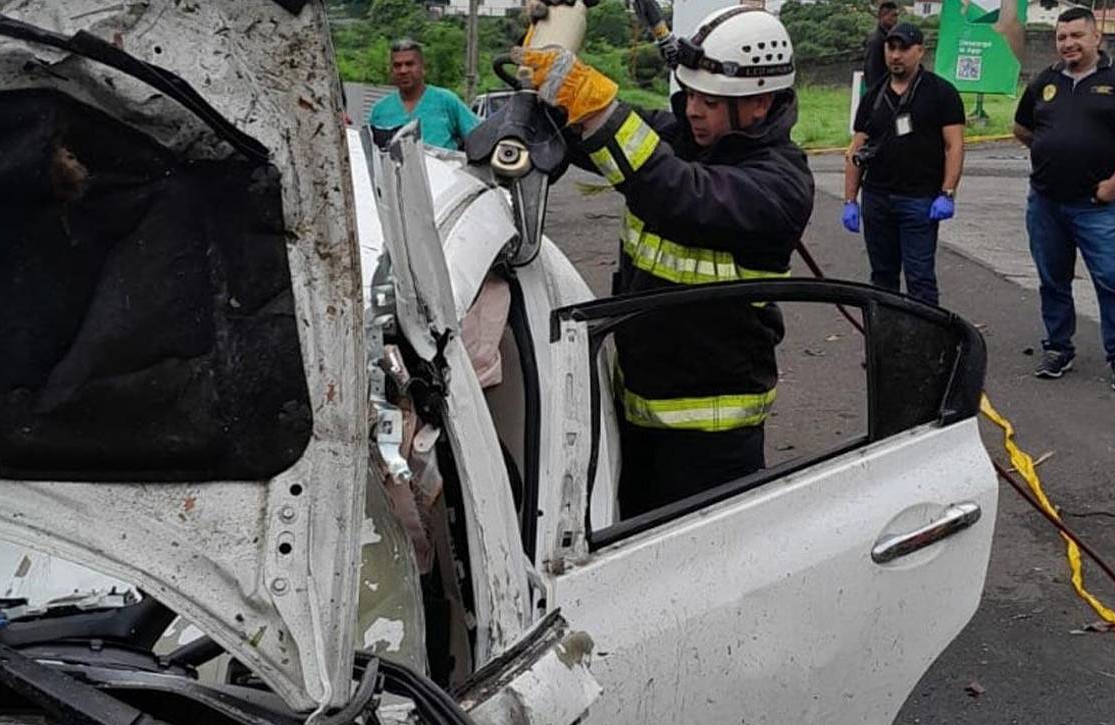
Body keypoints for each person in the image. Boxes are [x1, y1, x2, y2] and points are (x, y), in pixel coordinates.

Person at [512, 5, 814, 517]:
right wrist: (548, 70)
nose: (692, 110)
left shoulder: (781, 185)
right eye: (690, 94)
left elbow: (675, 192)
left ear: (760, 103)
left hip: (712, 444)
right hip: (636, 417)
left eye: (710, 101)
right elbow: (597, 140)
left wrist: (596, 107)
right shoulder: (687, 138)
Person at [1013, 7, 1115, 392]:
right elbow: (1022, 128)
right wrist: (1051, 149)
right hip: (1046, 203)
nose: (1068, 43)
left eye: (1076, 35)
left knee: (1111, 280)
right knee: (1052, 279)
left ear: (1096, 38)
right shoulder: (1045, 80)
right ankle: (1058, 348)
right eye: (1062, 37)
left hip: (1097, 205)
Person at [842, 23, 964, 307]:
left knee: (919, 277)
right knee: (882, 277)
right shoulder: (873, 96)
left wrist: (947, 192)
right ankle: (887, 331)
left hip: (919, 200)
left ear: (920, 51)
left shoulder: (941, 93)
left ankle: (926, 333)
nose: (896, 55)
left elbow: (954, 145)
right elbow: (856, 149)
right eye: (891, 48)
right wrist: (850, 200)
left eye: (904, 49)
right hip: (877, 198)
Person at [369, 39, 480, 151]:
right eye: (397, 65)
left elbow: (479, 139)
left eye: (409, 64)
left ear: (423, 67)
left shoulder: (446, 101)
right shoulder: (380, 110)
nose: (403, 70)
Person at [864, 2, 900, 91]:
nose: (895, 19)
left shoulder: (891, 37)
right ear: (882, 16)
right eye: (892, 16)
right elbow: (871, 69)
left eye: (896, 16)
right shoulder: (876, 40)